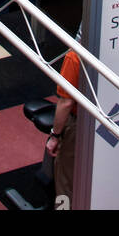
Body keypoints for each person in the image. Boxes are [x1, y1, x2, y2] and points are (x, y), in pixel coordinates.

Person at [45, 46, 81, 208]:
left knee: (64, 181)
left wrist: (55, 136)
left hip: (78, 121)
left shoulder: (75, 57)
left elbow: (66, 102)